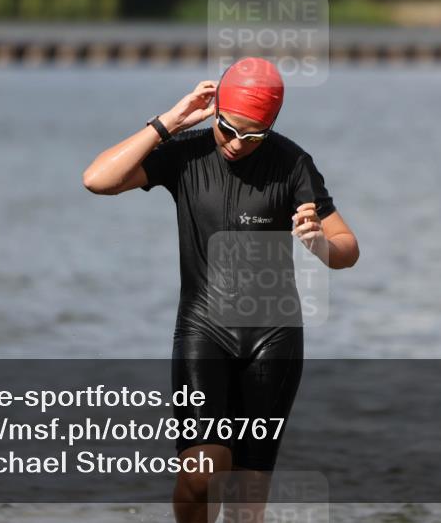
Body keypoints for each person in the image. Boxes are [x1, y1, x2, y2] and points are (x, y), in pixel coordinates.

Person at [83, 57, 359, 523]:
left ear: (270, 127)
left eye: (253, 136)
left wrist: (317, 243)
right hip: (203, 329)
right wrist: (169, 122)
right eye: (227, 129)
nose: (235, 143)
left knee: (247, 500)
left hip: (274, 337)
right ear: (215, 112)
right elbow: (97, 180)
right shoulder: (185, 152)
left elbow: (347, 249)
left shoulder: (292, 163)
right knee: (202, 474)